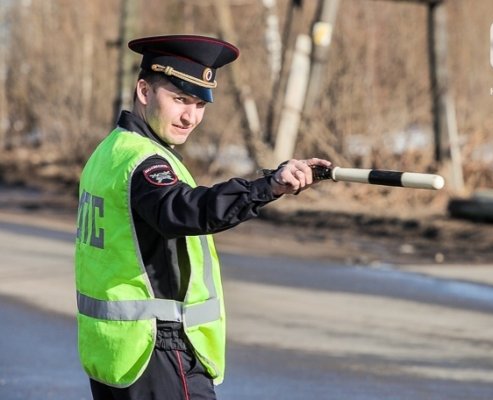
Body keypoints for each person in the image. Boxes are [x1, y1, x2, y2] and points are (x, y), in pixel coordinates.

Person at [74, 34, 331, 400]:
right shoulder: (146, 162)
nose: (190, 117)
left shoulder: (110, 151)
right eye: (179, 99)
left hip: (115, 352)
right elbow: (185, 210)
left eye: (199, 104)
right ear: (144, 91)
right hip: (156, 348)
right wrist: (268, 186)